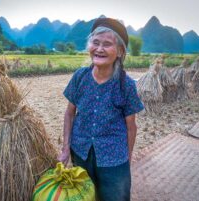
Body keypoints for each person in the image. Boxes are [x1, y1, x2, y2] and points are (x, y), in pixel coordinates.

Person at [58, 17, 144, 201]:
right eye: (95, 43)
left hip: (114, 159)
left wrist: (125, 160)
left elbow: (131, 127)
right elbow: (69, 114)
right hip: (80, 152)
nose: (99, 49)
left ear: (120, 51)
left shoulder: (126, 85)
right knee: (85, 197)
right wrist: (66, 149)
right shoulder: (80, 77)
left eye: (107, 44)